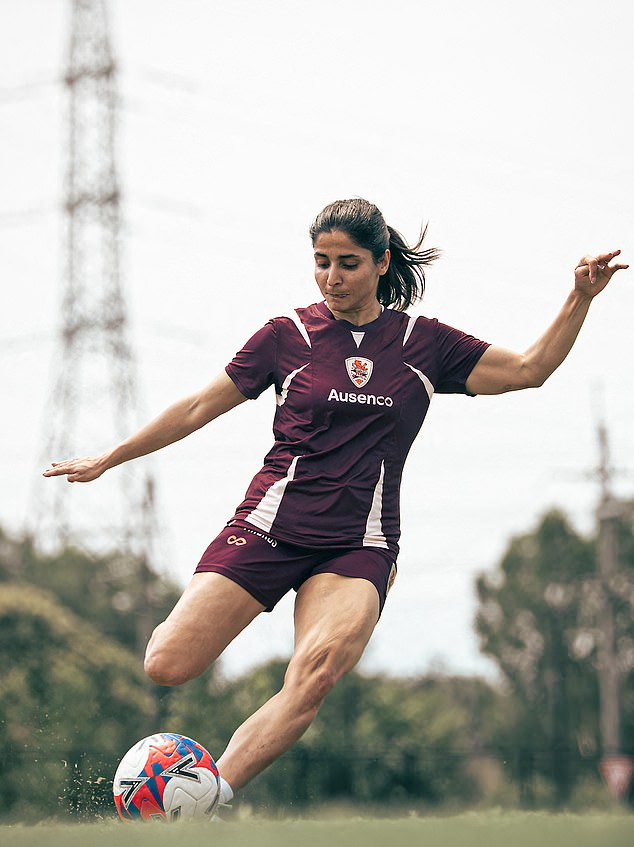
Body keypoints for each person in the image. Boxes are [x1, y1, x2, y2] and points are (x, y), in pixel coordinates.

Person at [44, 197, 628, 809]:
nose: (331, 277)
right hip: (269, 526)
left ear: (381, 263)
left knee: (315, 674)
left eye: (347, 263)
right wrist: (111, 456)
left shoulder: (421, 344)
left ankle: (207, 798)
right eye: (320, 262)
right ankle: (191, 791)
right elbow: (195, 408)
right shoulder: (285, 336)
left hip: (359, 544)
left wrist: (579, 298)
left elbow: (529, 369)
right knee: (165, 662)